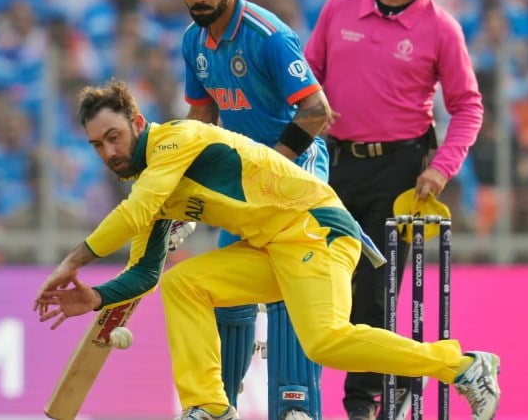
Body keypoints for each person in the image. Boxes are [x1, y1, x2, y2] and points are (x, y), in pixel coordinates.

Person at [33, 80, 501, 420]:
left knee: (325, 341)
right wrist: (95, 297)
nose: (108, 152)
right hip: (274, 246)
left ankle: (463, 366)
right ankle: (209, 407)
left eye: (114, 137)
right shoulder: (151, 189)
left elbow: (134, 213)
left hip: (316, 229)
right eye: (97, 145)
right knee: (182, 283)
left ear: (137, 123)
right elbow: (144, 274)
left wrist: (72, 262)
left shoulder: (174, 139)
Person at [303, 0, 485, 420]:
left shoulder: (441, 28)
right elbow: (308, 74)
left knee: (375, 290)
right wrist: (310, 112)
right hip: (335, 162)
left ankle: (364, 402)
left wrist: (441, 168)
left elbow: (468, 106)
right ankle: (403, 375)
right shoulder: (340, 6)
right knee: (323, 280)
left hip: (401, 170)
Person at [169, 0, 333, 420]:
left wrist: (272, 169)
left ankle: (295, 406)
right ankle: (219, 406)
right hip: (243, 180)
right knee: (225, 290)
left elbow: (316, 111)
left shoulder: (268, 36)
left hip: (295, 170)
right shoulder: (193, 41)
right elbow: (201, 121)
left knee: (289, 285)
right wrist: (185, 193)